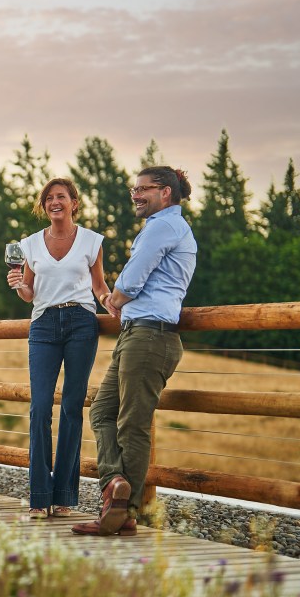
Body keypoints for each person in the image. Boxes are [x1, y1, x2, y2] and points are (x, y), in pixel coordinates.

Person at [72, 166, 197, 537]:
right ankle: (116, 487)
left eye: (143, 189)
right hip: (137, 334)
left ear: (165, 193)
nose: (136, 196)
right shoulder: (164, 227)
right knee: (103, 411)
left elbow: (132, 278)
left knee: (132, 424)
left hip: (151, 337)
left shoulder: (164, 227)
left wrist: (114, 298)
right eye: (134, 190)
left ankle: (123, 510)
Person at [7, 178, 112, 519]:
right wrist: (20, 285)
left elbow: (98, 285)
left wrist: (112, 302)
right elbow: (30, 293)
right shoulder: (30, 244)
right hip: (43, 326)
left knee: (70, 408)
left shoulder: (91, 241)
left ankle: (64, 495)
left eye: (61, 197)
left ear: (73, 203)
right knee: (39, 408)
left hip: (81, 323)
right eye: (49, 198)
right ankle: (39, 496)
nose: (55, 202)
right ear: (44, 205)